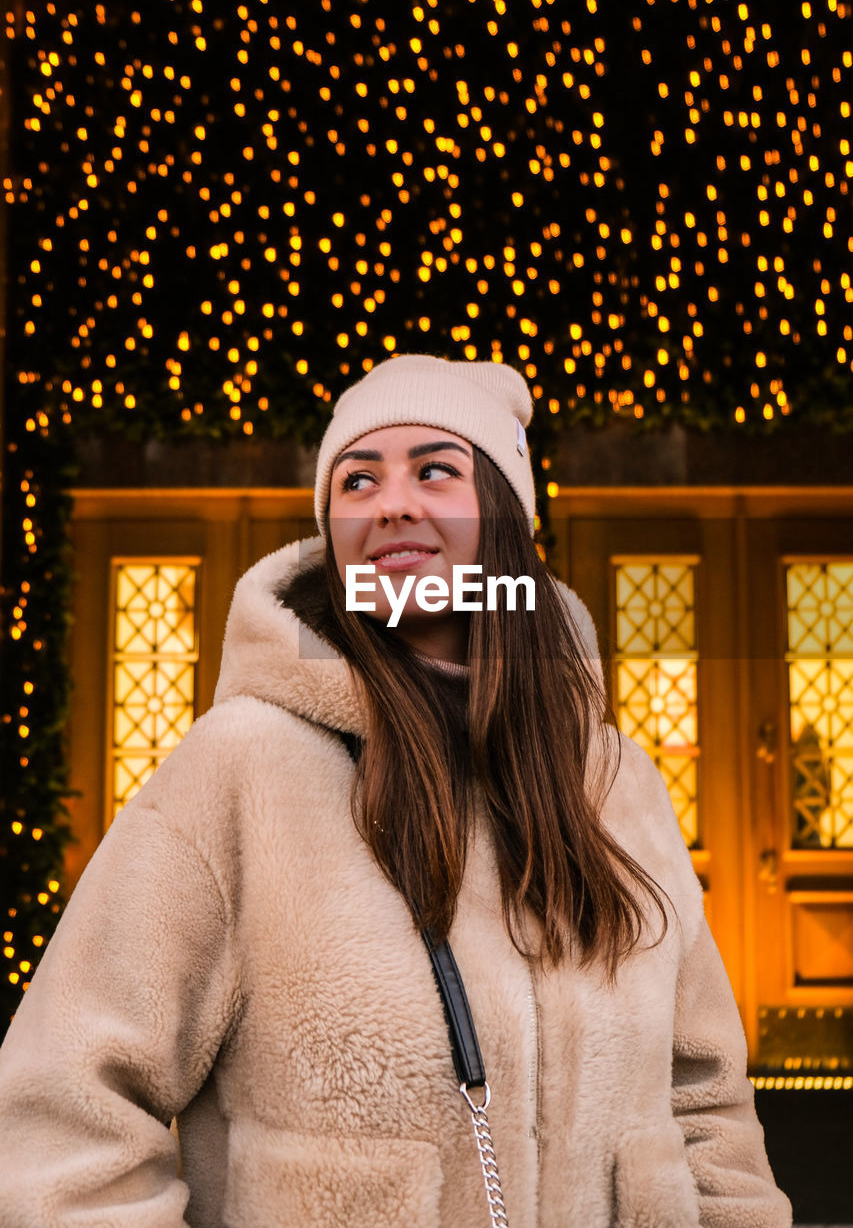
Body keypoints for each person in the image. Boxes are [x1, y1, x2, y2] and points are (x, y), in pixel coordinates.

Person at [0, 354, 790, 1227]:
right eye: (358, 479)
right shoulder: (241, 769)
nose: (392, 502)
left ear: (505, 518)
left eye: (436, 470)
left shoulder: (616, 786)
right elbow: (64, 1122)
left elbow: (707, 1110)